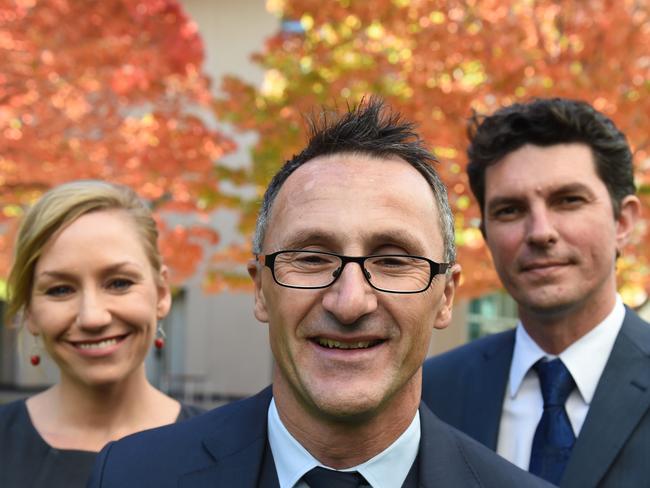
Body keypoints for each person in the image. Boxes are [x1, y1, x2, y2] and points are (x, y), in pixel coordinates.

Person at [87, 98, 551, 488]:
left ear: (445, 296)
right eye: (311, 258)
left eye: (392, 261)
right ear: (260, 290)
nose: (349, 302)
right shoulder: (132, 475)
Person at [422, 98, 649, 487]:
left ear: (623, 221)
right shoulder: (429, 395)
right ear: (487, 236)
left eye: (568, 201)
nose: (540, 231)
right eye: (510, 210)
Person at [0, 180, 203, 488]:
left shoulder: (227, 451)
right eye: (60, 289)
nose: (92, 317)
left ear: (161, 293)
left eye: (119, 283)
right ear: (30, 311)